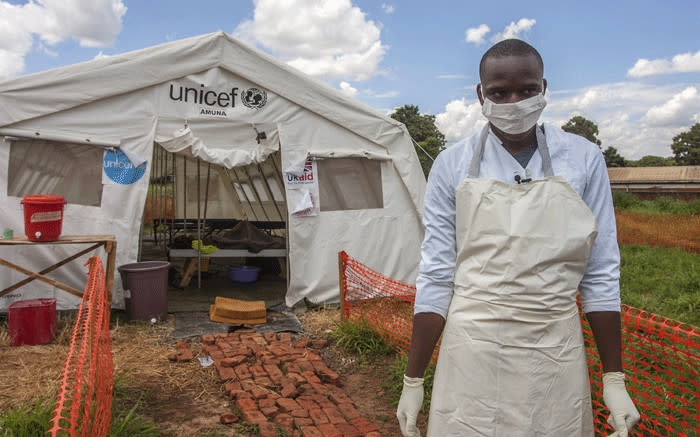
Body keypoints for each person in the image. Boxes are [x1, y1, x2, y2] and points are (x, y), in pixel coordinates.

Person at [396, 39, 640, 437]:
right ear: (480, 94)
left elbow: (600, 273)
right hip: (472, 349)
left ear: (544, 89)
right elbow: (438, 275)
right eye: (499, 92)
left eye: (526, 90)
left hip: (553, 349)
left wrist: (614, 379)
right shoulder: (452, 165)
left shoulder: (581, 158)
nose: (513, 102)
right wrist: (413, 380)